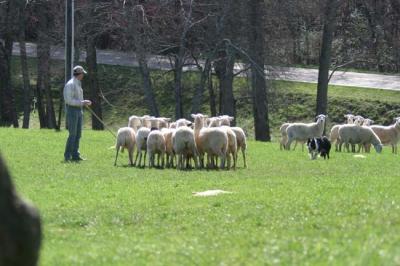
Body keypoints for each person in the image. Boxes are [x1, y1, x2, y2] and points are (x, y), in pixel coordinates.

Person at [63, 65, 92, 161]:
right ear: (79, 74)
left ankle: (75, 155)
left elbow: (78, 98)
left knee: (78, 134)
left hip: (79, 110)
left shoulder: (78, 83)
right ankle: (67, 156)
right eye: (82, 73)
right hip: (72, 110)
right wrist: (82, 103)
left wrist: (84, 102)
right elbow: (68, 100)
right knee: (72, 134)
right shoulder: (70, 84)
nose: (83, 75)